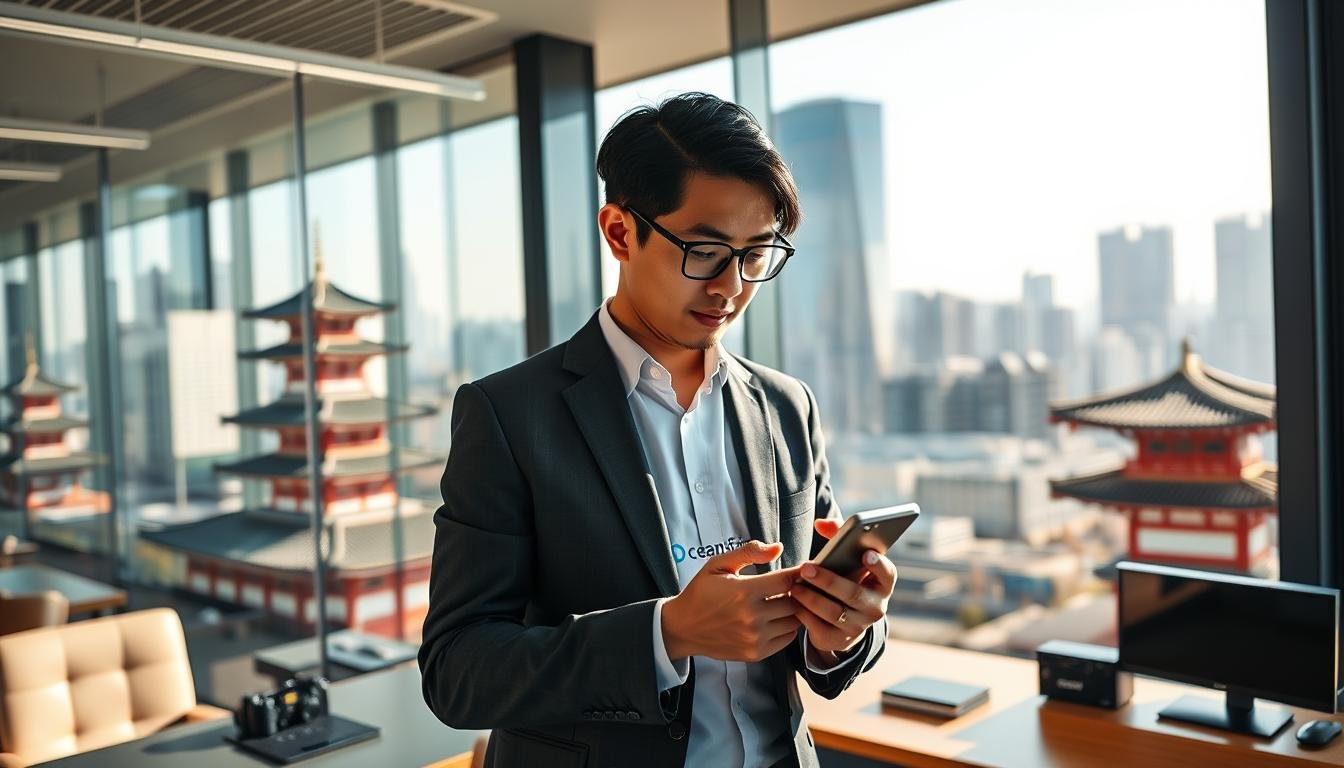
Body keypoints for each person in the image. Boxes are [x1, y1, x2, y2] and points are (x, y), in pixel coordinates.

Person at [419, 92, 897, 768]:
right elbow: (457, 672)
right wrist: (665, 633)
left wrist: (843, 628)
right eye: (704, 250)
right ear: (620, 232)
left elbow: (828, 649)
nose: (731, 286)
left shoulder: (788, 407)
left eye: (756, 253)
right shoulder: (510, 415)